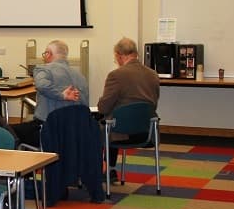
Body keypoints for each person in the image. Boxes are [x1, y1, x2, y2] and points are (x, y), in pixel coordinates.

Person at [97, 37, 161, 180]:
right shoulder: (153, 74)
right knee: (111, 121)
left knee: (99, 125)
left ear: (119, 56)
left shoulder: (116, 75)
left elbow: (103, 107)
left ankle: (103, 169)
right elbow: (153, 104)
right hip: (146, 131)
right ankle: (110, 169)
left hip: (121, 132)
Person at [12, 39, 89, 147]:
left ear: (48, 54)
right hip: (74, 132)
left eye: (45, 54)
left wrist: (62, 95)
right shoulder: (80, 76)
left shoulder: (43, 70)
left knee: (8, 131)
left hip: (48, 130)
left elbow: (42, 85)